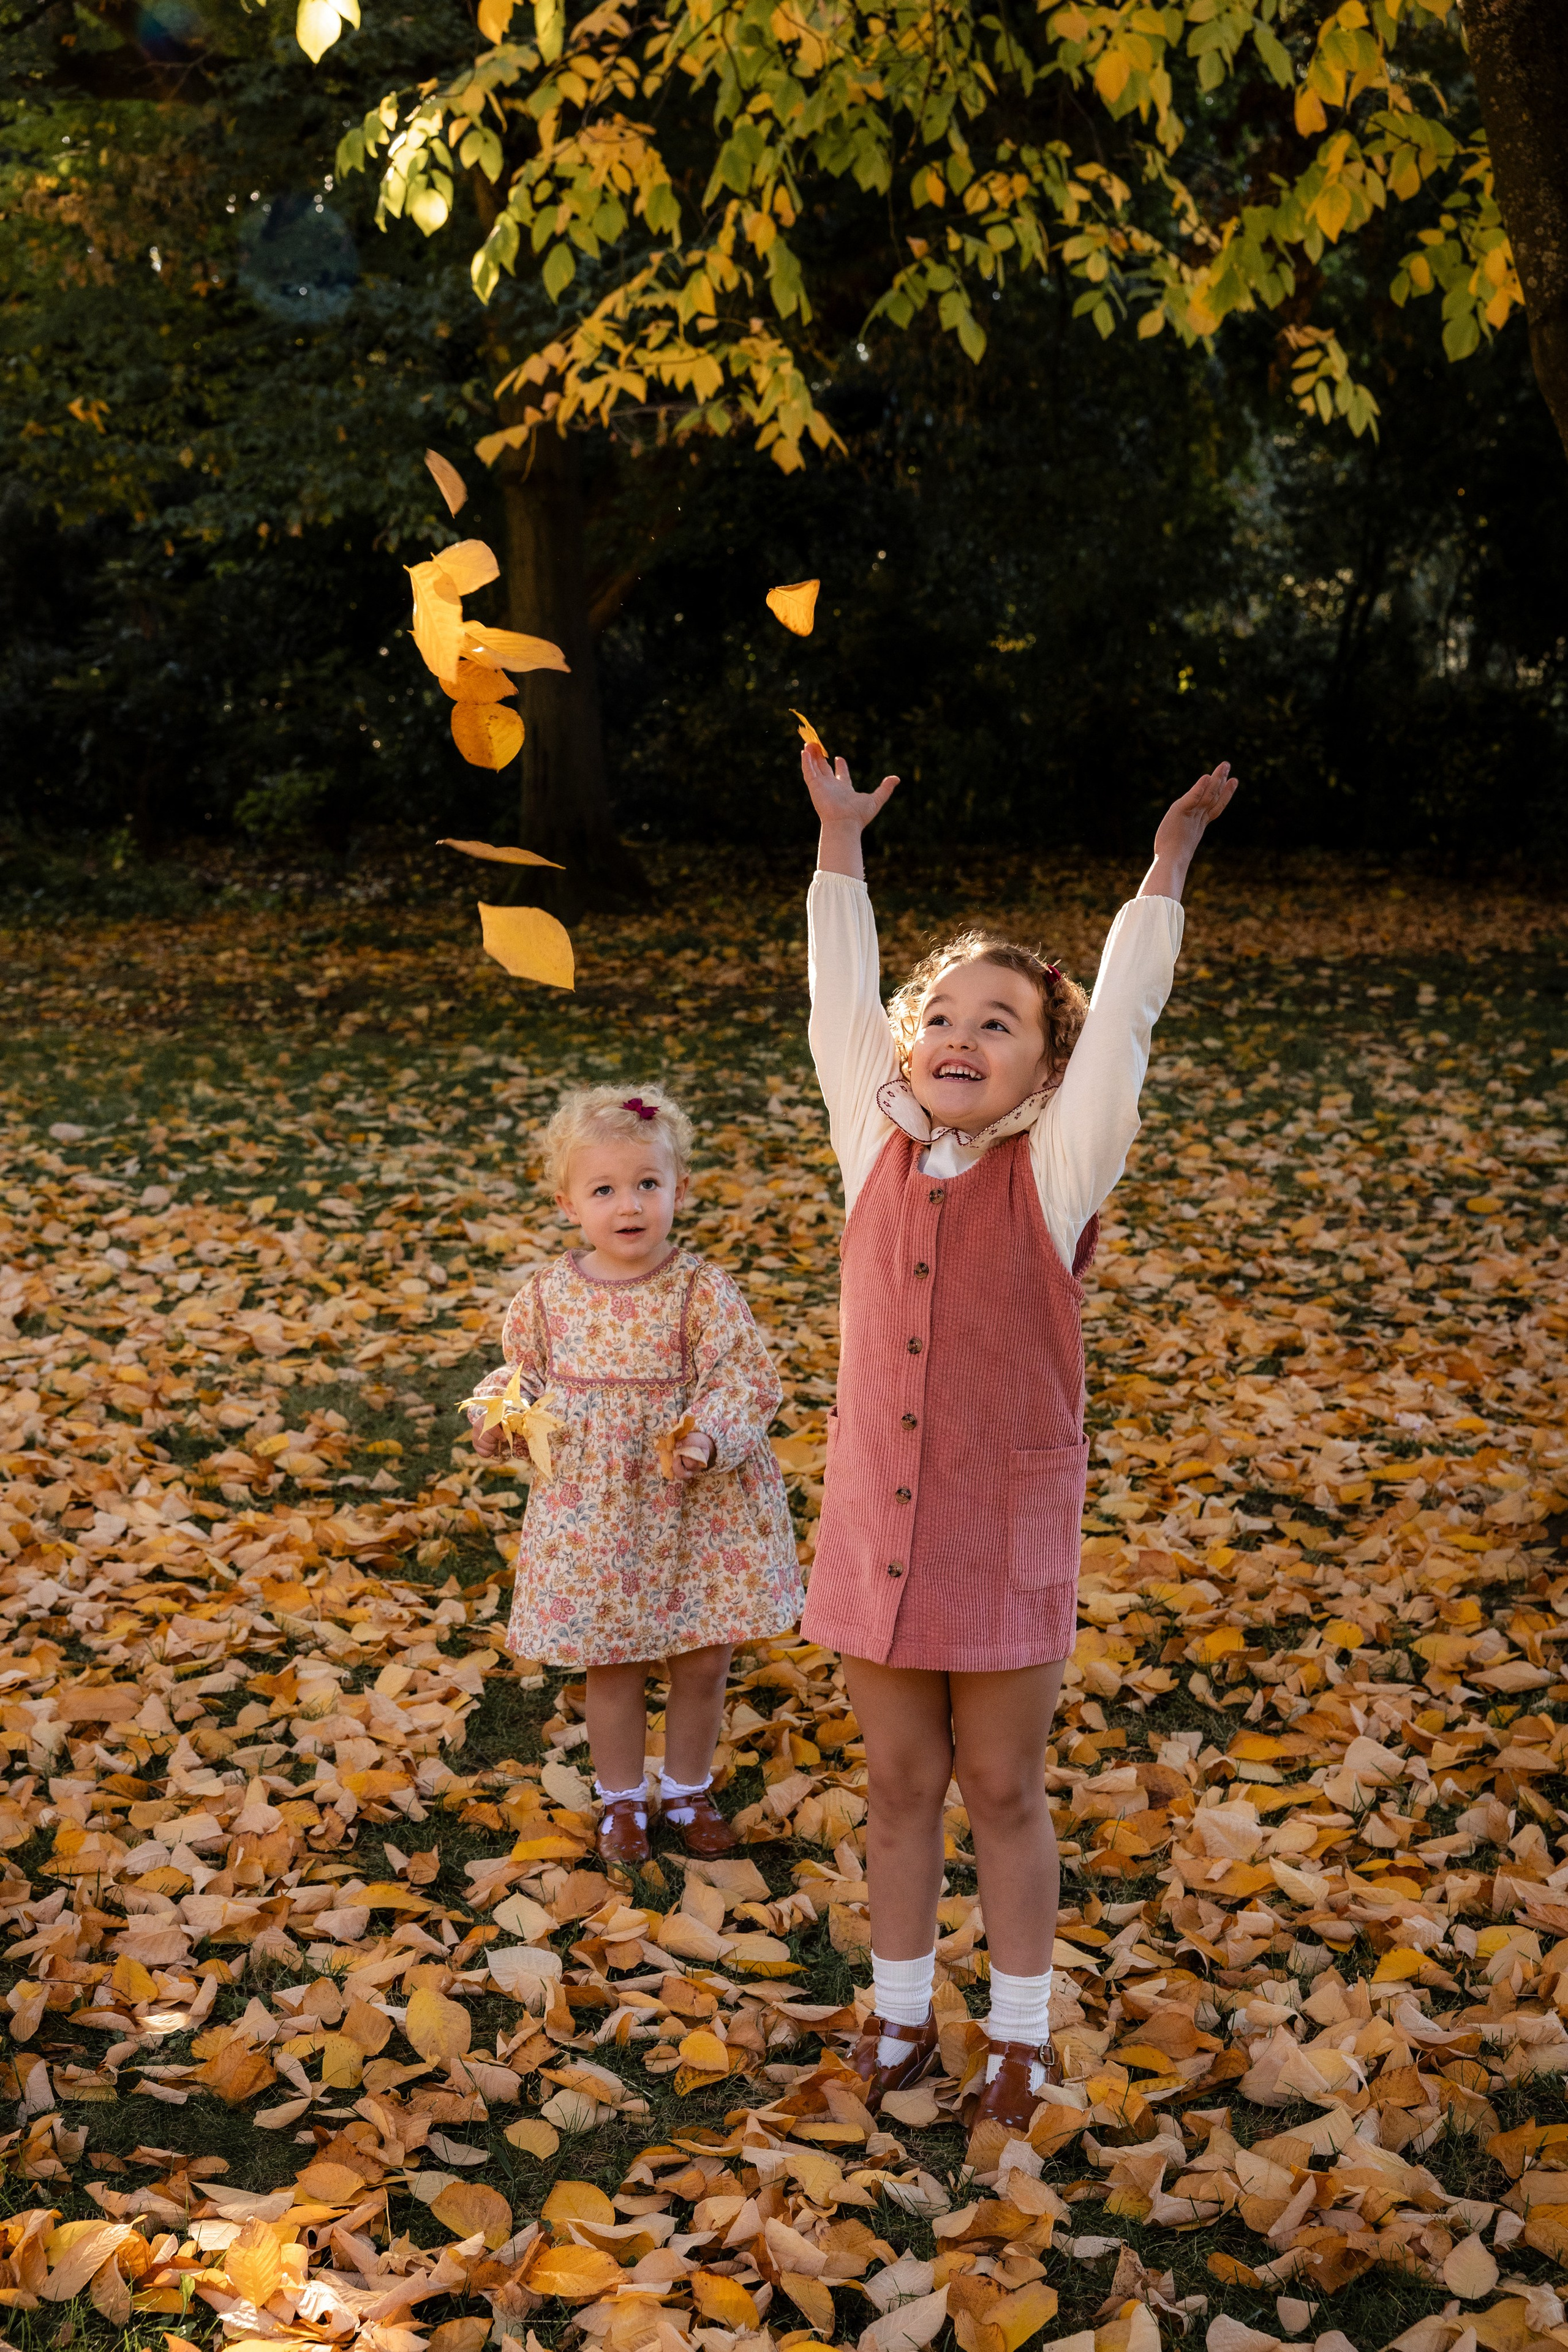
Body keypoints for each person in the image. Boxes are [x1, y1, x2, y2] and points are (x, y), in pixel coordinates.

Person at [801, 745, 1237, 2131]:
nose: (960, 1035)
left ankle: (1019, 2030)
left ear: (1043, 1073)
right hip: (875, 1522)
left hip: (1001, 1529)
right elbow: (832, 1000)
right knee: (895, 1784)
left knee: (996, 1782)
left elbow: (1120, 1025)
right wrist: (838, 846)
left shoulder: (1053, 1174)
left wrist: (1161, 866)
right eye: (941, 1012)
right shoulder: (866, 1141)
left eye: (1000, 1023)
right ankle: (897, 2008)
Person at [466, 1085, 802, 1868]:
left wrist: (707, 1437)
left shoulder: (699, 1291)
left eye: (648, 1184)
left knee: (700, 1655)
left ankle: (686, 1788)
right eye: (605, 1189)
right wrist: (499, 1418)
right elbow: (522, 1375)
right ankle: (620, 1798)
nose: (630, 1205)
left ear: (679, 1191)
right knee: (611, 1658)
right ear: (568, 1203)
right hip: (595, 1508)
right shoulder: (552, 1295)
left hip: (692, 1503)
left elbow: (743, 1379)